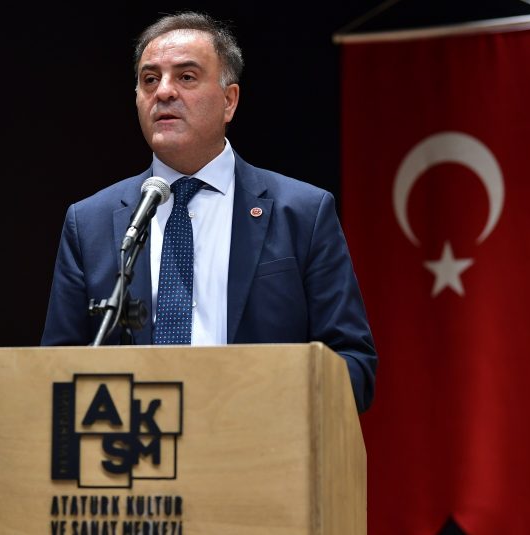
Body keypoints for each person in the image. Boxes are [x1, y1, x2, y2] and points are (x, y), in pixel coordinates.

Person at [41, 11, 377, 412]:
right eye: (150, 79)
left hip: (257, 439)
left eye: (186, 77)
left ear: (229, 101)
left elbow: (354, 365)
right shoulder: (90, 222)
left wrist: (262, 401)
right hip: (134, 443)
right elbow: (54, 373)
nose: (164, 92)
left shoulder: (302, 213)